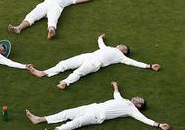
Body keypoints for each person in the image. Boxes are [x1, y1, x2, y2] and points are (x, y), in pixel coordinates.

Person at [25, 81, 170, 130]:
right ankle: (40, 119)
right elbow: (117, 95)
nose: (138, 97)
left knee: (76, 123)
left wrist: (158, 124)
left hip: (97, 116)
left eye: (140, 99)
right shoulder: (124, 101)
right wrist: (116, 87)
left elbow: (144, 120)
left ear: (139, 105)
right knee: (67, 112)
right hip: (94, 107)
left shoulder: (132, 110)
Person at [27, 34, 160, 89]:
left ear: (124, 51)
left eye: (123, 46)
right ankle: (43, 73)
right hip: (88, 56)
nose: (120, 44)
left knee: (78, 73)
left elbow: (133, 62)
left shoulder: (121, 57)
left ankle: (64, 83)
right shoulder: (109, 48)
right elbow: (100, 44)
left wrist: (149, 66)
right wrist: (100, 37)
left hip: (95, 64)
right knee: (64, 63)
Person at [8, 0, 107, 39]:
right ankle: (18, 28)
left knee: (52, 21)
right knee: (31, 16)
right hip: (45, 4)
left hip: (56, 7)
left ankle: (51, 32)